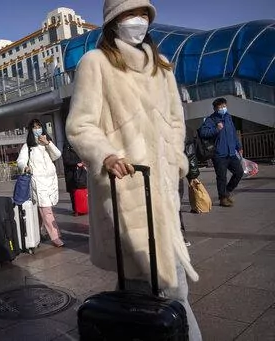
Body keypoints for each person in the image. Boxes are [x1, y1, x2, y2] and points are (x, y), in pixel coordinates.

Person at [65, 1, 201, 340]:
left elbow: (174, 120)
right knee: (164, 283)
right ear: (114, 21)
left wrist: (175, 159)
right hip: (126, 186)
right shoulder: (95, 63)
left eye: (143, 15)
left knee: (148, 286)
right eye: (130, 14)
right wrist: (107, 154)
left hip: (165, 186)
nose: (138, 21)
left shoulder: (162, 67)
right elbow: (80, 125)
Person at [17, 119, 64, 247]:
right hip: (38, 180)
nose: (37, 129)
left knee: (40, 211)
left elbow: (57, 155)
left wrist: (48, 143)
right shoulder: (28, 146)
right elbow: (20, 161)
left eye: (39, 126)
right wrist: (25, 167)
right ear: (30, 130)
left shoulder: (46, 143)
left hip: (50, 180)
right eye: (34, 127)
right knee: (46, 209)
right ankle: (55, 236)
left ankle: (35, 233)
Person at [199, 98, 243, 207]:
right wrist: (216, 129)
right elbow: (203, 132)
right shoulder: (211, 119)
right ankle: (223, 198)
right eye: (220, 107)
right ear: (215, 108)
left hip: (231, 153)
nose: (223, 108)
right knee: (222, 177)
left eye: (224, 106)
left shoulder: (228, 117)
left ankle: (226, 191)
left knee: (239, 173)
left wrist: (239, 147)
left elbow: (233, 133)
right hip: (219, 154)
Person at [62, 141, 85, 216]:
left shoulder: (80, 146)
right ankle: (76, 210)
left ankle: (83, 208)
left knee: (83, 190)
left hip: (80, 172)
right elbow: (66, 160)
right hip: (71, 173)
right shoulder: (67, 147)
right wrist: (76, 163)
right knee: (73, 192)